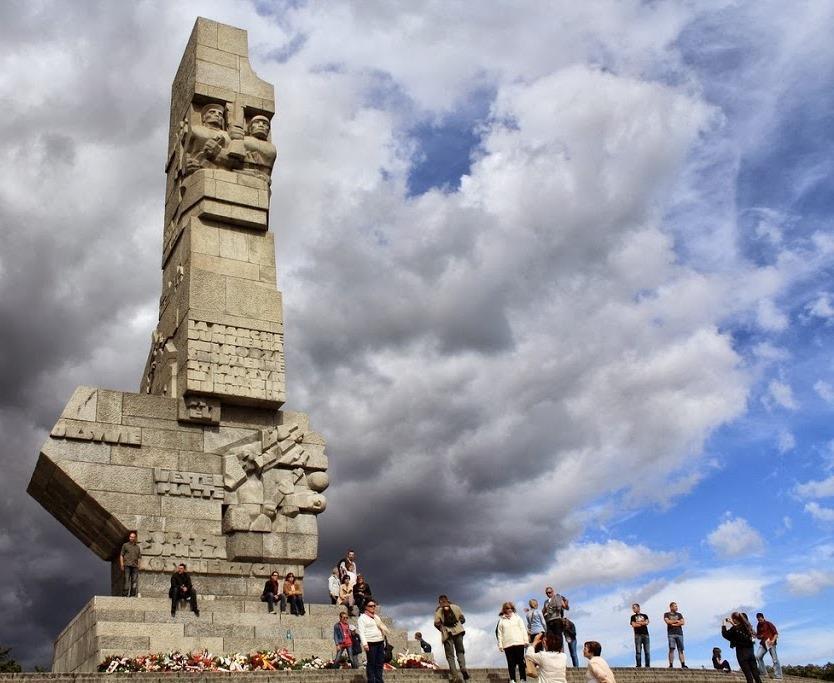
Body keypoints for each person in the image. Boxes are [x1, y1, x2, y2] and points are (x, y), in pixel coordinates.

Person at [434, 595, 469, 681]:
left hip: (447, 634)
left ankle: (455, 676)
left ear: (439, 602)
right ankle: (463, 667)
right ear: (448, 600)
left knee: (450, 656)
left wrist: (442, 629)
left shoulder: (439, 610)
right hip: (458, 632)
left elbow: (436, 623)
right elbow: (463, 620)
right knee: (460, 651)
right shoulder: (456, 607)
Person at [722, 612, 762, 683]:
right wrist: (731, 622)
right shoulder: (749, 628)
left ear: (735, 619)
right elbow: (738, 628)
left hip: (742, 654)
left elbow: (726, 635)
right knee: (756, 675)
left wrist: (723, 625)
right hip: (751, 654)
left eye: (733, 619)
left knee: (748, 676)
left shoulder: (735, 629)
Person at [358, 599, 390, 683]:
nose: (373, 607)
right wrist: (365, 644)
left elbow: (380, 629)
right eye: (370, 606)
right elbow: (361, 632)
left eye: (374, 606)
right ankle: (371, 680)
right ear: (366, 607)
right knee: (371, 663)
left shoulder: (376, 617)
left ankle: (379, 681)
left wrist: (383, 641)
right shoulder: (362, 618)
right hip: (370, 643)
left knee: (379, 664)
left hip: (380, 642)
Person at [497, 601, 529, 683]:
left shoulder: (518, 618)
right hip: (507, 644)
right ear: (504, 609)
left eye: (511, 608)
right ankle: (512, 679)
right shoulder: (501, 621)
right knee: (511, 663)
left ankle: (523, 679)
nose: (509, 609)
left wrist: (526, 641)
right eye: (507, 608)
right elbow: (499, 634)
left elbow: (523, 629)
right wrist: (500, 645)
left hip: (519, 643)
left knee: (521, 662)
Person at [755, 612, 783, 679]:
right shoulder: (758, 625)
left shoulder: (768, 623)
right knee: (758, 656)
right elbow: (758, 636)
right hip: (763, 643)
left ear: (763, 617)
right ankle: (763, 673)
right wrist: (758, 636)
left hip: (771, 643)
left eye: (760, 619)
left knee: (775, 659)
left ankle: (778, 676)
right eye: (758, 620)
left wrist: (773, 641)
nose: (759, 620)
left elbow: (776, 634)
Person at [664, 601, 687, 669]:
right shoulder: (666, 614)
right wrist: (677, 621)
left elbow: (683, 622)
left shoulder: (679, 614)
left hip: (679, 633)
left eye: (676, 606)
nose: (676, 607)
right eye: (675, 606)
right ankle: (671, 665)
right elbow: (667, 621)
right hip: (671, 633)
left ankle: (683, 664)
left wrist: (674, 623)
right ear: (671, 607)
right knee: (671, 649)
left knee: (681, 649)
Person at [119, 531, 141, 598]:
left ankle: (132, 595)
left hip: (135, 566)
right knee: (126, 581)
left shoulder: (137, 547)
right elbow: (121, 555)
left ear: (135, 538)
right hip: (127, 565)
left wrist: (139, 565)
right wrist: (122, 564)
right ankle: (125, 595)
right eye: (131, 537)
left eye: (133, 537)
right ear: (129, 537)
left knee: (134, 581)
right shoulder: (125, 545)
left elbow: (139, 557)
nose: (132, 538)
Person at [630, 603, 650, 667]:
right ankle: (638, 665)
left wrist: (638, 623)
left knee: (647, 651)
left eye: (634, 607)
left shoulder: (645, 615)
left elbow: (647, 622)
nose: (633, 609)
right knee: (638, 651)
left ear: (638, 608)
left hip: (646, 635)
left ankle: (647, 665)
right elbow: (634, 625)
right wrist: (642, 623)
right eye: (633, 608)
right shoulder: (633, 617)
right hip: (637, 635)